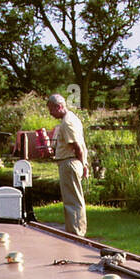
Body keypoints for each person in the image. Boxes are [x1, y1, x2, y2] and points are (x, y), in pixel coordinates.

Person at [47, 93, 89, 237]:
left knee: (73, 201)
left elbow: (77, 146)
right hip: (71, 161)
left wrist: (83, 165)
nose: (50, 113)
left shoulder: (67, 122)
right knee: (73, 199)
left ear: (59, 107)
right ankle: (75, 231)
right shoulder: (72, 118)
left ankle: (76, 234)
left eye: (51, 110)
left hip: (70, 162)